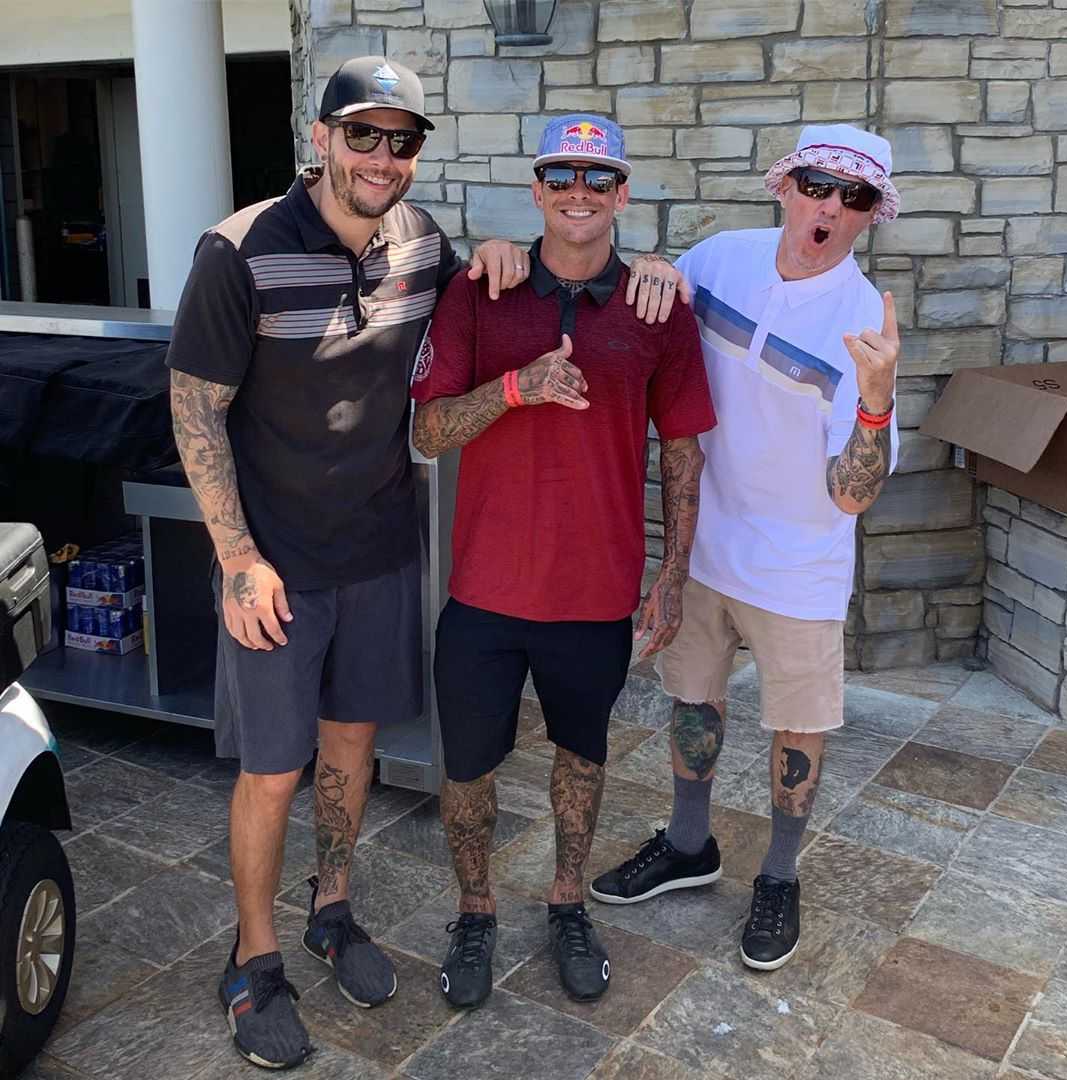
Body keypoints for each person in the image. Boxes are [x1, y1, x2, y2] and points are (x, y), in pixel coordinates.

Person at [166, 56, 553, 1070]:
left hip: (380, 551)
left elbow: (485, 307)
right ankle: (254, 959)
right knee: (273, 771)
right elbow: (194, 411)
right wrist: (237, 558)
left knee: (351, 758)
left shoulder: (422, 247)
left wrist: (513, 252)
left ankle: (330, 910)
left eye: (404, 139)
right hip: (276, 569)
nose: (384, 156)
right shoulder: (239, 252)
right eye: (363, 134)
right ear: (320, 140)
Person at [410, 113, 717, 1009]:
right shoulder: (479, 292)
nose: (578, 192)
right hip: (484, 592)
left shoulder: (659, 308)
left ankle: (567, 902)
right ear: (537, 192)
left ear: (622, 194)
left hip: (594, 593)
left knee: (581, 760)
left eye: (597, 178)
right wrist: (517, 387)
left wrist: (673, 573)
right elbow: (429, 433)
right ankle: (475, 912)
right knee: (466, 772)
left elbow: (683, 452)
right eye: (560, 176)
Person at [590, 124, 902, 975]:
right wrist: (651, 266)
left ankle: (777, 875)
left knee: (796, 727)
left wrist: (874, 400)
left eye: (855, 197)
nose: (830, 206)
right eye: (817, 185)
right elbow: (642, 320)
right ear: (784, 186)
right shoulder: (721, 258)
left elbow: (852, 492)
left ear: (871, 216)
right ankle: (690, 845)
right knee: (692, 701)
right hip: (704, 542)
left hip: (798, 565)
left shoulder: (862, 320)